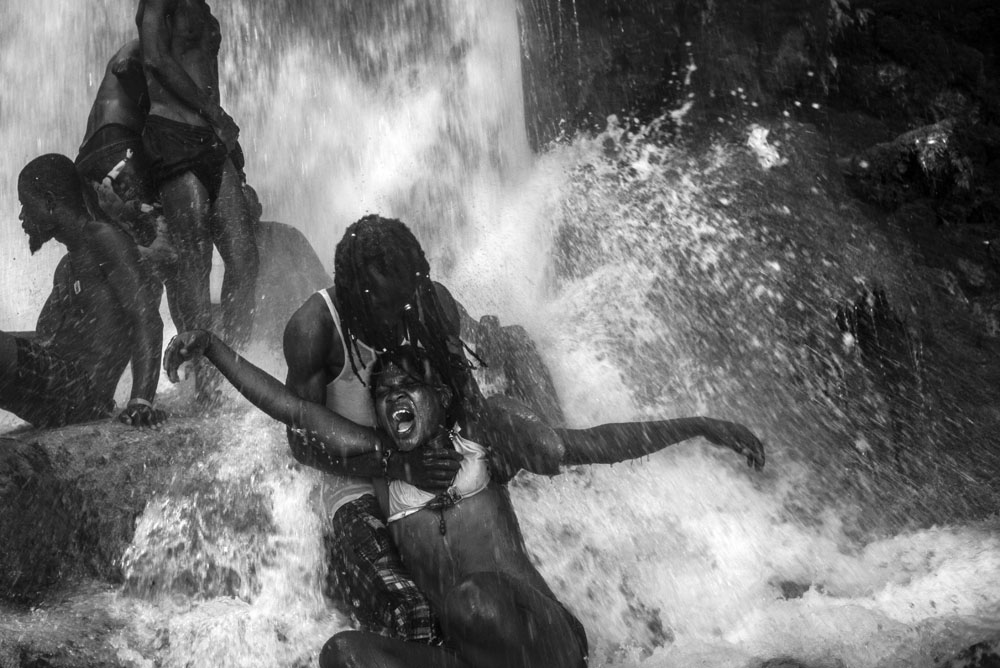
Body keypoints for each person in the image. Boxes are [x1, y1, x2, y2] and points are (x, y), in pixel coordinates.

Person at [161, 338, 765, 668]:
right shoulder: (379, 464)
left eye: (408, 388)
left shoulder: (483, 445)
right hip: (462, 658)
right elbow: (293, 409)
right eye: (384, 392)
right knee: (343, 654)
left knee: (473, 600)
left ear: (440, 396)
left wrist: (700, 425)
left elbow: (594, 444)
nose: (394, 397)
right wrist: (212, 348)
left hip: (542, 644)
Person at [0, 154, 166, 429]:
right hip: (53, 391)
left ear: (50, 202)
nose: (21, 216)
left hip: (83, 394)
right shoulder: (66, 267)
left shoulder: (104, 239)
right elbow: (41, 345)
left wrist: (141, 401)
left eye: (25, 205)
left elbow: (146, 319)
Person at [136, 0, 258, 353]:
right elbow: (154, 59)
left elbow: (203, 75)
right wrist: (214, 114)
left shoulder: (202, 7)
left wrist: (224, 134)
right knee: (195, 260)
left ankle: (235, 367)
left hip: (212, 138)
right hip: (173, 134)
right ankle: (206, 382)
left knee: (245, 257)